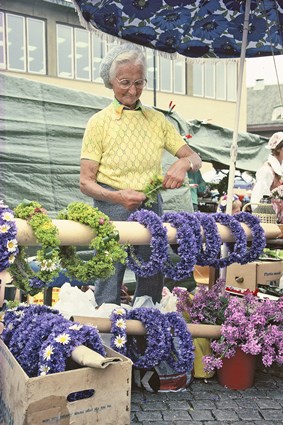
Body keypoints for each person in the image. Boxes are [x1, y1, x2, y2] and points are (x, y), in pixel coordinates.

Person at [79, 44, 202, 306]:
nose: (132, 90)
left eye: (139, 82)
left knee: (152, 271)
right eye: (125, 82)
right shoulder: (99, 122)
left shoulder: (157, 120)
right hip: (111, 206)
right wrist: (117, 197)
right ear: (111, 82)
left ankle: (147, 330)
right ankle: (105, 334)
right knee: (109, 273)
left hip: (150, 206)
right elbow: (85, 182)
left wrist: (183, 165)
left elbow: (194, 157)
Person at [251, 132, 283, 207]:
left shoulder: (279, 168)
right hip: (269, 215)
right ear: (278, 149)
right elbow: (258, 197)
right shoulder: (267, 170)